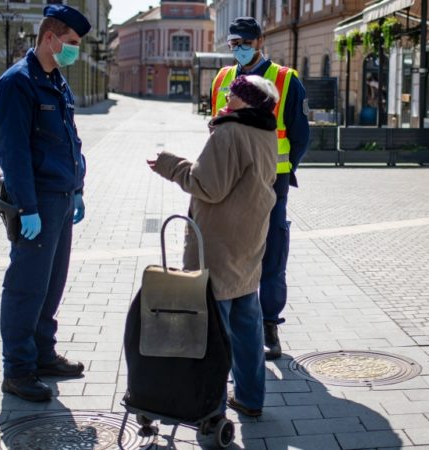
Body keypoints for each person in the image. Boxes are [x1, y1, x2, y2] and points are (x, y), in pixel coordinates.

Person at [148, 75, 279, 418]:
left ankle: (210, 409)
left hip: (218, 244)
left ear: (245, 101)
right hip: (249, 239)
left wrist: (170, 165)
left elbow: (207, 186)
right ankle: (250, 398)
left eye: (232, 93)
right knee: (247, 325)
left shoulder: (230, 132)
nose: (226, 96)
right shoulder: (266, 132)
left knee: (211, 329)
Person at [0, 4, 91, 402]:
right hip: (38, 201)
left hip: (62, 198)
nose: (75, 50)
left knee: (51, 285)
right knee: (26, 287)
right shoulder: (18, 83)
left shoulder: (55, 80)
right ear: (49, 38)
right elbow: (12, 151)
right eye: (71, 42)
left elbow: (70, 138)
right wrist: (27, 207)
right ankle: (17, 370)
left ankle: (43, 355)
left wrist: (78, 187)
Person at [210, 17, 310, 360]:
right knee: (229, 252)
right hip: (229, 180)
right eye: (234, 43)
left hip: (270, 181)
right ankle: (229, 326)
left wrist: (284, 168)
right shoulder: (222, 78)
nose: (239, 48)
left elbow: (300, 136)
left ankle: (269, 325)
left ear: (260, 41)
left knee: (271, 252)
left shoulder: (285, 79)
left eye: (245, 42)